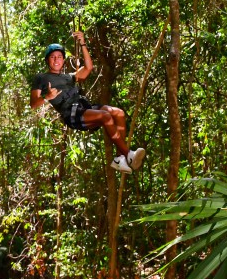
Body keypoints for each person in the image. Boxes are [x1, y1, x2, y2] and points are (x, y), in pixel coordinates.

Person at [30, 31, 145, 174]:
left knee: (119, 113)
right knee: (105, 116)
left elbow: (89, 68)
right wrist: (47, 96)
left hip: (83, 106)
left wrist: (82, 43)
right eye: (52, 57)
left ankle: (119, 159)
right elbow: (33, 104)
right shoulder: (41, 78)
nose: (56, 60)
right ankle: (128, 154)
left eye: (59, 57)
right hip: (71, 114)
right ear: (47, 60)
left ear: (64, 60)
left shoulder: (69, 77)